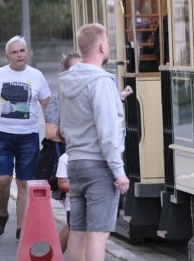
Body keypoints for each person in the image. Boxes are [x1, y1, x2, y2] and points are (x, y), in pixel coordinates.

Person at [44, 52, 132, 254]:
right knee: (92, 230)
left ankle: (53, 254)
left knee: (78, 227)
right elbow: (52, 131)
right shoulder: (65, 95)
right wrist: (82, 134)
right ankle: (53, 254)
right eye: (75, 68)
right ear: (66, 71)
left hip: (76, 161)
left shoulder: (84, 89)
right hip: (83, 162)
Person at [0, 35, 51, 241]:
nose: (19, 55)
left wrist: (55, 132)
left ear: (26, 52)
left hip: (28, 137)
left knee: (24, 184)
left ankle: (21, 229)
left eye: (22, 51)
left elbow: (48, 106)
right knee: (2, 180)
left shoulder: (37, 76)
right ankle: (3, 213)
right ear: (7, 56)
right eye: (15, 52)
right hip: (0, 135)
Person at [56, 151, 71, 253]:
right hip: (75, 203)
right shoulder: (65, 158)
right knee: (78, 234)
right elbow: (62, 184)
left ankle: (54, 255)